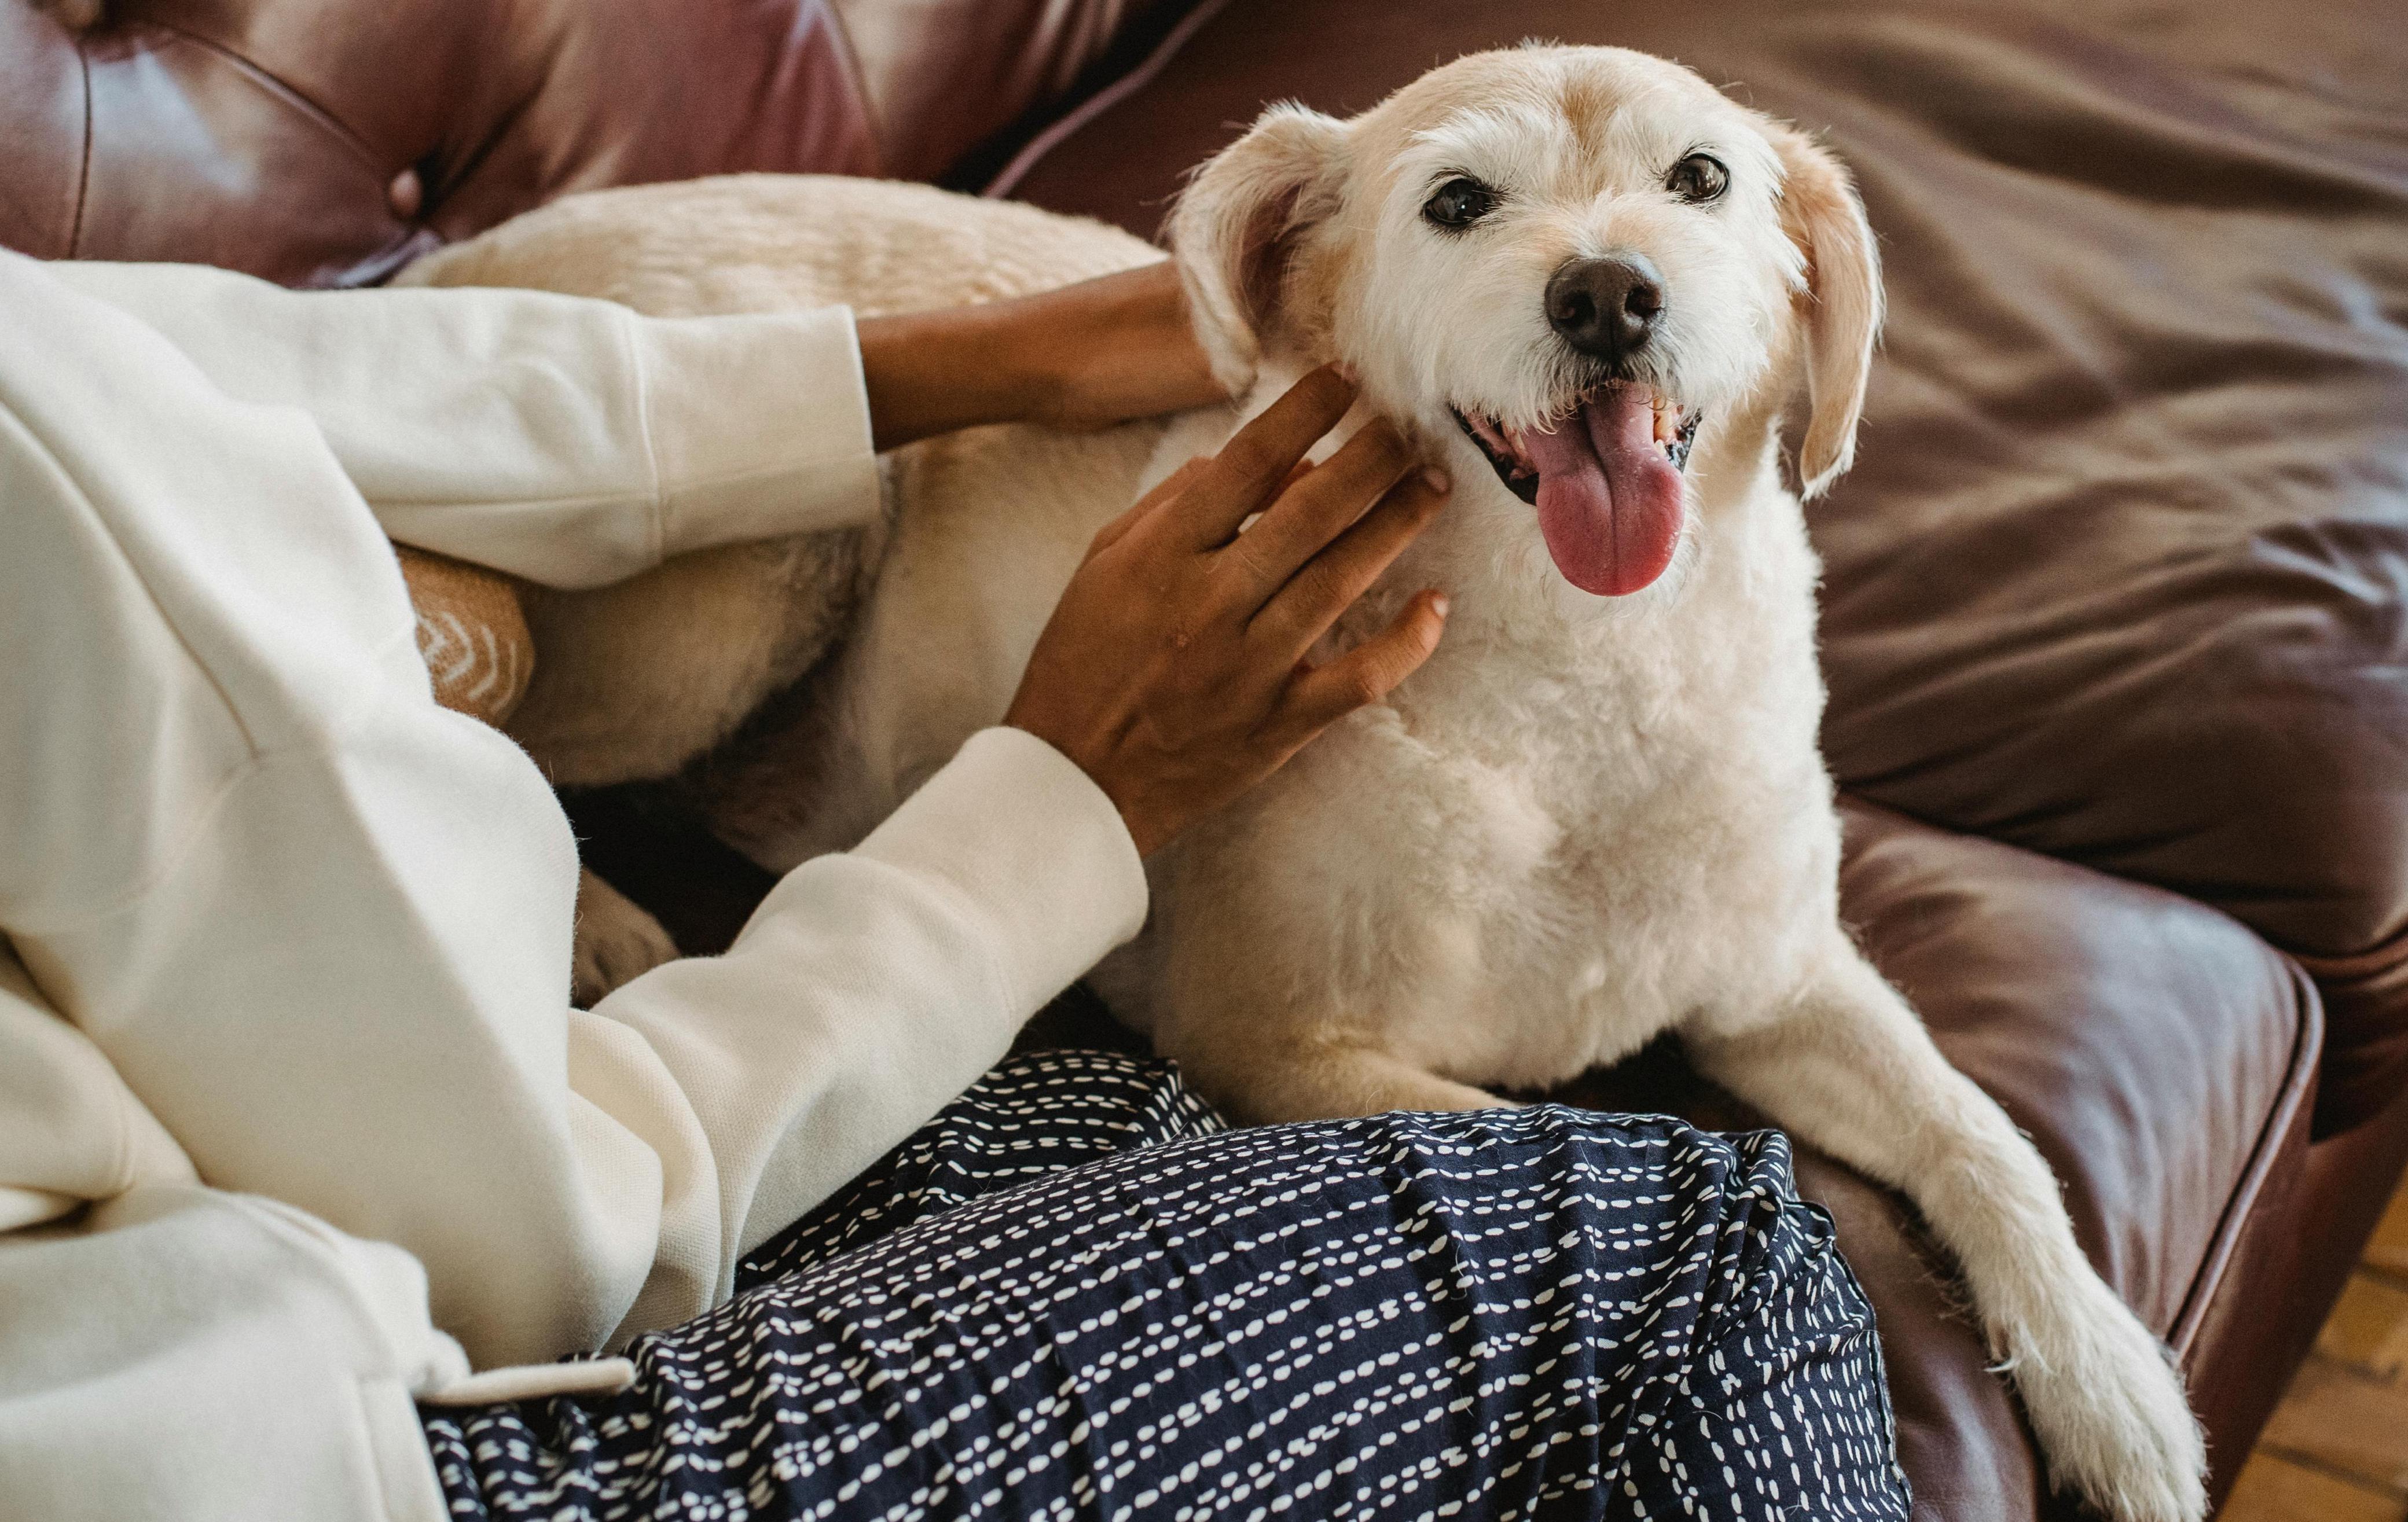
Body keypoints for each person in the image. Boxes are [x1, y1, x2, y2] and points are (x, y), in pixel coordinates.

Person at [0, 246, 1908, 1520]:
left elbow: (125, 355)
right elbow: (539, 1232)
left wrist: (952, 361)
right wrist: (1065, 791)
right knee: (1699, 1259)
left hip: (243, 1210)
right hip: (300, 1443)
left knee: (1153, 1119)